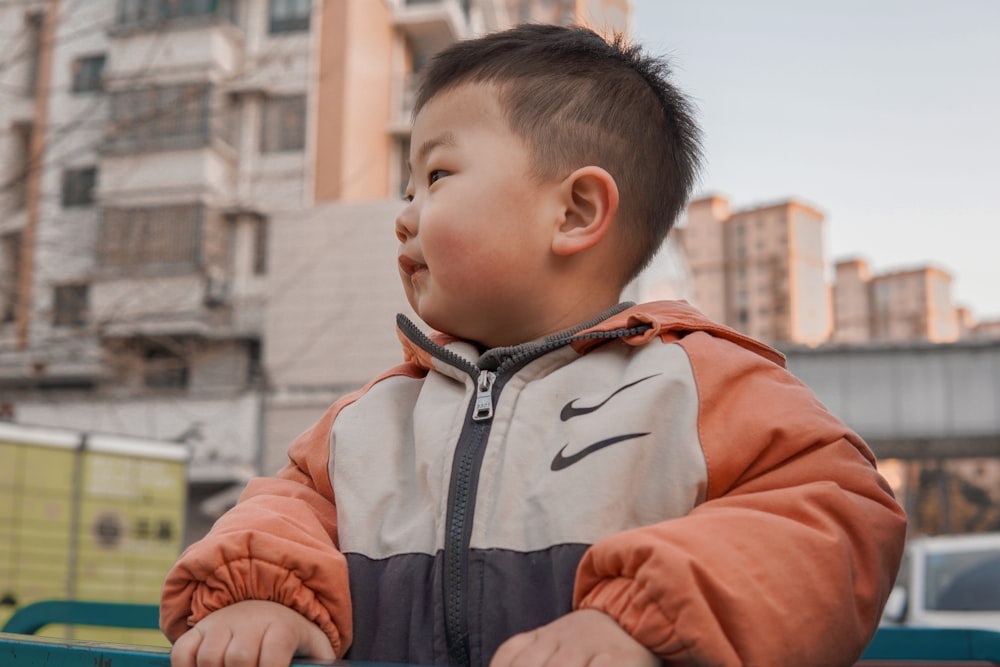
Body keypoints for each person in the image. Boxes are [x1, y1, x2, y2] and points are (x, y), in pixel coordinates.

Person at [160, 23, 907, 667]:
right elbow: (284, 508)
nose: (404, 215)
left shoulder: (698, 384)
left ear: (577, 211)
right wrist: (264, 596)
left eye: (437, 175)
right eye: (408, 185)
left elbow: (834, 515)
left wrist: (639, 616)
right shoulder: (370, 418)